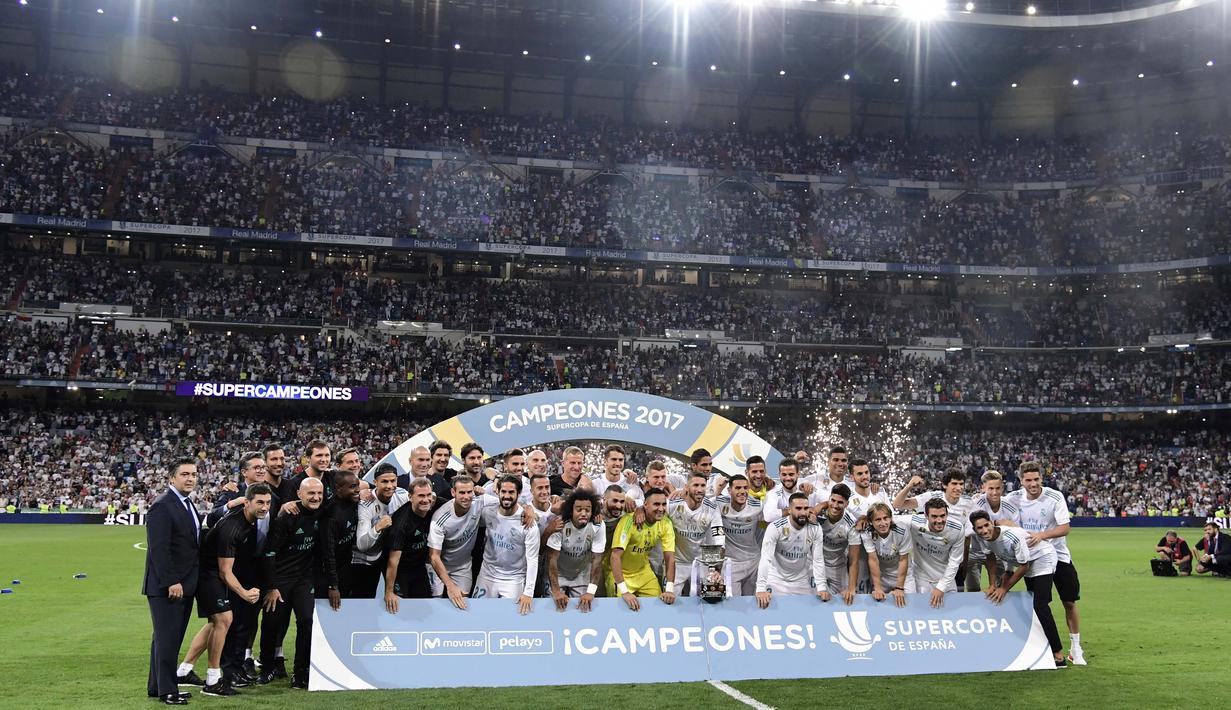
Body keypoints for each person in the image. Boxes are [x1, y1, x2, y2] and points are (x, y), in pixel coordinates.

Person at [177, 484, 272, 697]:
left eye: (267, 503)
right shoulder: (234, 528)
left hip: (210, 571)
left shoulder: (247, 516)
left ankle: (183, 671)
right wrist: (245, 593)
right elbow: (224, 572)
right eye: (259, 502)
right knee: (224, 619)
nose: (264, 507)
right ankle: (213, 681)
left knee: (215, 622)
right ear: (247, 502)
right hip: (206, 573)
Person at [1007, 461, 1085, 665]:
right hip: (1035, 559)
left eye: (1036, 479)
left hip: (1059, 556)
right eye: (1028, 480)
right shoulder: (1014, 498)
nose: (1033, 484)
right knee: (1039, 605)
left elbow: (1065, 527)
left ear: (1041, 478)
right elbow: (995, 504)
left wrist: (1042, 535)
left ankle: (1076, 649)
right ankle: (1045, 650)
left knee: (1069, 601)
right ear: (1021, 480)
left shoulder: (1054, 496)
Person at [970, 510, 1066, 667]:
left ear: (992, 523)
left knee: (1040, 605)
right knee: (1034, 605)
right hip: (1023, 561)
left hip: (1042, 557)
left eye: (986, 525)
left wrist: (1004, 588)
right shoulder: (982, 539)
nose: (984, 530)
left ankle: (1057, 654)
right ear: (975, 530)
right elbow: (990, 558)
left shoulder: (1012, 536)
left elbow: (1024, 566)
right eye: (979, 528)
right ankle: (1041, 647)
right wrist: (993, 584)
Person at [143, 458, 201, 706]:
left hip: (183, 583)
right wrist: (171, 582)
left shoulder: (186, 504)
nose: (190, 478)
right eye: (185, 474)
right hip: (169, 586)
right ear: (171, 478)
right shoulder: (163, 506)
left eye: (194, 474)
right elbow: (159, 549)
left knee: (165, 638)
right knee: (168, 640)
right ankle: (168, 691)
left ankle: (157, 686)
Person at [258, 477, 324, 689]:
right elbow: (269, 553)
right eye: (310, 493)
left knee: (306, 621)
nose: (315, 497)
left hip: (304, 579)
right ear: (299, 494)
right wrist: (271, 587)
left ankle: (301, 672)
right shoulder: (287, 517)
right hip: (280, 580)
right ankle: (267, 668)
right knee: (272, 624)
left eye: (319, 493)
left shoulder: (324, 511)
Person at [894, 468, 975, 591]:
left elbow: (967, 534)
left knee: (956, 593)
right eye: (954, 484)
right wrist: (909, 485)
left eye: (961, 484)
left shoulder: (969, 502)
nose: (958, 488)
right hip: (930, 552)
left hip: (953, 555)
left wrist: (964, 560)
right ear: (944, 485)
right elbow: (898, 504)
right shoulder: (932, 497)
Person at [474, 475, 540, 614]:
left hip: (513, 579)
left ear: (519, 494)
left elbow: (533, 560)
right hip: (487, 575)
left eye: (511, 492)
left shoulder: (528, 523)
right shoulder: (487, 511)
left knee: (509, 620)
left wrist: (528, 592)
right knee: (478, 615)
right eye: (503, 492)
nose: (507, 496)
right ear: (497, 491)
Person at [609, 488, 677, 610]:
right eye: (656, 504)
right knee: (620, 610)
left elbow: (670, 557)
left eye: (663, 504)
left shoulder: (666, 523)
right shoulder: (629, 521)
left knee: (660, 606)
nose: (661, 508)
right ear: (645, 505)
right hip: (621, 574)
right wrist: (624, 591)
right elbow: (615, 556)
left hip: (643, 573)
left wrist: (670, 589)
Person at [755, 492, 826, 608]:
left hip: (801, 581)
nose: (803, 512)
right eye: (798, 508)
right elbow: (765, 559)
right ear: (789, 510)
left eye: (805, 508)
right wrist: (761, 588)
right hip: (776, 580)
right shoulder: (775, 527)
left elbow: (818, 560)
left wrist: (822, 587)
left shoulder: (816, 528)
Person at [384, 478, 446, 611]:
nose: (426, 500)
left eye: (429, 495)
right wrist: (389, 591)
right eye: (421, 496)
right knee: (399, 608)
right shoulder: (401, 523)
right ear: (410, 497)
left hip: (419, 567)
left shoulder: (435, 505)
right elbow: (392, 561)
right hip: (401, 570)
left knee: (424, 605)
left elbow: (454, 504)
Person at [428, 476, 487, 608]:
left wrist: (527, 509)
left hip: (462, 566)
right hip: (438, 565)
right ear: (453, 493)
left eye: (469, 492)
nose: (466, 497)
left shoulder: (480, 502)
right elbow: (434, 556)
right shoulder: (440, 519)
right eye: (462, 492)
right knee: (435, 603)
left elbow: (507, 500)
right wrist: (449, 586)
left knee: (461, 603)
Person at [352, 464, 409, 597]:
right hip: (367, 559)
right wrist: (377, 527)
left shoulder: (403, 496)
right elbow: (362, 545)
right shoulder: (366, 504)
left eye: (393, 481)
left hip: (391, 553)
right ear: (375, 482)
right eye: (384, 481)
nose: (389, 486)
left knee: (398, 596)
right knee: (365, 599)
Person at [666, 471, 725, 596]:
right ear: (686, 487)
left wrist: (715, 569)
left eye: (703, 486)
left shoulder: (712, 509)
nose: (699, 490)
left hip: (700, 561)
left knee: (712, 596)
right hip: (677, 562)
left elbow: (718, 538)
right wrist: (639, 510)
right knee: (670, 599)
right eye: (696, 485)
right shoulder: (672, 505)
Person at [546, 489, 606, 612]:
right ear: (571, 510)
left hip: (581, 574)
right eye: (579, 509)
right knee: (554, 609)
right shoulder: (560, 524)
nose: (583, 513)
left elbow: (597, 561)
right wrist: (556, 591)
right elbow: (551, 560)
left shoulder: (598, 526)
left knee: (583, 609)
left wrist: (591, 592)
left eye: (587, 510)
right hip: (559, 574)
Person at [903, 498, 964, 608]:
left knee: (951, 614)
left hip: (946, 579)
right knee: (924, 613)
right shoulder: (914, 522)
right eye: (934, 516)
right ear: (926, 516)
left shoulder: (957, 529)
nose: (940, 520)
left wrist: (941, 587)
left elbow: (954, 562)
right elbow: (889, 519)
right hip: (922, 578)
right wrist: (864, 519)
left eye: (943, 515)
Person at [969, 470, 1020, 590]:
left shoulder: (1011, 508)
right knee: (972, 590)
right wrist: (1001, 524)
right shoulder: (976, 505)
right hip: (975, 551)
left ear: (1002, 488)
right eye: (990, 488)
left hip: (998, 553)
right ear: (983, 488)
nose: (995, 492)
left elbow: (1017, 534)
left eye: (998, 488)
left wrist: (1009, 568)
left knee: (999, 589)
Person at [713, 474, 764, 595]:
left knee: (753, 604)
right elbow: (701, 504)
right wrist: (717, 491)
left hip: (754, 562)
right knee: (733, 603)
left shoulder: (758, 506)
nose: (742, 491)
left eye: (745, 488)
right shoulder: (719, 503)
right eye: (738, 488)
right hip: (731, 563)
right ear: (729, 490)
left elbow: (770, 520)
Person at [318, 471, 361, 607]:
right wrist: (333, 586)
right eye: (353, 486)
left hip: (346, 569)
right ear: (338, 489)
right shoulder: (331, 515)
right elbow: (328, 553)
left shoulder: (354, 503)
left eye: (358, 485)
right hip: (327, 574)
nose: (358, 490)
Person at [860, 503, 910, 607]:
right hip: (882, 577)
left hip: (904, 576)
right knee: (880, 606)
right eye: (878, 520)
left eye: (885, 518)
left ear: (891, 518)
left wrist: (900, 587)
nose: (883, 523)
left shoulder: (902, 530)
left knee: (907, 605)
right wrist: (877, 587)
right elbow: (873, 560)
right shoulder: (867, 533)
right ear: (871, 522)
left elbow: (903, 560)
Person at [818, 484, 861, 603]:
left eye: (840, 502)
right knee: (815, 600)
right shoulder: (818, 514)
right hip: (815, 564)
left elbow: (853, 560)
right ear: (829, 498)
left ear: (847, 504)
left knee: (842, 602)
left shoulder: (851, 525)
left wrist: (851, 588)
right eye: (833, 500)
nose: (835, 505)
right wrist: (819, 506)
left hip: (837, 567)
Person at [763, 458, 817, 522]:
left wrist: (818, 508)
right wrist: (796, 510)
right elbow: (768, 516)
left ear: (798, 474)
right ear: (779, 475)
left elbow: (828, 498)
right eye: (784, 474)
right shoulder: (773, 492)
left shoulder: (807, 487)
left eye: (791, 474)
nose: (788, 478)